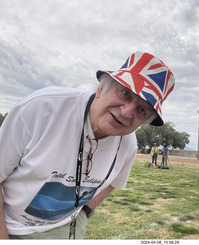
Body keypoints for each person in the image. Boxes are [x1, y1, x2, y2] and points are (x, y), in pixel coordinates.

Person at [0, 51, 175, 239]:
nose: (126, 113)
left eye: (142, 110)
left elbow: (115, 182)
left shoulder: (128, 144)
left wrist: (84, 214)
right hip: (9, 223)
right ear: (101, 88)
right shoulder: (40, 108)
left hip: (63, 227)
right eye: (125, 93)